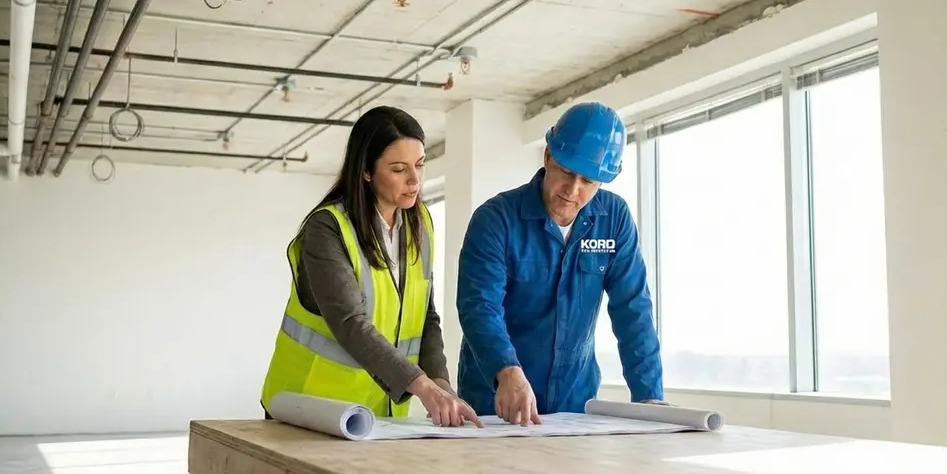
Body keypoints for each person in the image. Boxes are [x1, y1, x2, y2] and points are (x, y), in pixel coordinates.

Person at [260, 106, 481, 428]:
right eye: (398, 169)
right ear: (366, 171)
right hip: (309, 405)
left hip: (376, 413)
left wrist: (440, 383)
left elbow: (426, 317)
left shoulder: (420, 225)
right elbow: (349, 321)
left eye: (420, 165)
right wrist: (423, 387)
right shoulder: (328, 228)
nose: (415, 180)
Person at [455, 101, 667, 425]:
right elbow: (480, 307)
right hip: (495, 405)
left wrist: (649, 396)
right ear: (547, 157)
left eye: (589, 181)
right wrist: (506, 370)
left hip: (574, 407)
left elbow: (633, 309)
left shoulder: (615, 220)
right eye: (566, 172)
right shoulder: (496, 220)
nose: (573, 190)